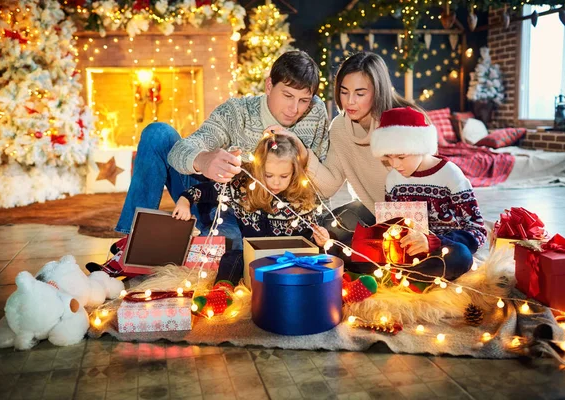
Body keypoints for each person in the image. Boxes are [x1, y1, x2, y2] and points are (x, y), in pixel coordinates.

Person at [115, 50, 330, 251]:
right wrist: (203, 160)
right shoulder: (236, 112)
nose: (295, 109)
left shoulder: (314, 111)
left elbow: (320, 183)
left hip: (263, 220)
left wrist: (318, 230)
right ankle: (130, 243)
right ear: (268, 86)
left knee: (233, 250)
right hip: (218, 201)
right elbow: (180, 151)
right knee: (158, 134)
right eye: (287, 95)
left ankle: (195, 244)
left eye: (303, 100)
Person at [172, 134, 377, 315]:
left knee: (326, 253)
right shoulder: (243, 187)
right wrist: (185, 200)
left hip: (293, 262)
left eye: (284, 176)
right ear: (259, 170)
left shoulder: (302, 195)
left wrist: (321, 237)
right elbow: (207, 190)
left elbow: (311, 232)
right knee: (232, 257)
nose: (276, 183)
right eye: (269, 175)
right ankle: (221, 294)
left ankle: (345, 286)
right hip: (255, 260)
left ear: (294, 172)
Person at [271, 52, 421, 245]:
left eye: (360, 94)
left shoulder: (406, 122)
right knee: (317, 233)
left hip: (414, 217)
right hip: (369, 210)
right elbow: (329, 185)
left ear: (378, 90)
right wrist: (301, 150)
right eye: (343, 92)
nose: (350, 101)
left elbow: (429, 180)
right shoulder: (340, 127)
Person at [370, 106, 487, 286]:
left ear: (420, 146)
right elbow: (392, 224)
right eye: (389, 157)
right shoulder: (393, 179)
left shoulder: (450, 174)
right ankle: (410, 277)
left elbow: (477, 230)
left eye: (401, 157)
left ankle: (404, 278)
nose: (394, 164)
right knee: (355, 248)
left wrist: (434, 242)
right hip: (404, 253)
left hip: (442, 250)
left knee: (461, 257)